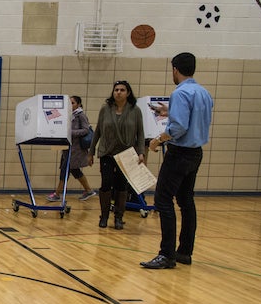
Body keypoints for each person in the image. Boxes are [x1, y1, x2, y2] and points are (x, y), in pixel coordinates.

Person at [141, 52, 214, 269]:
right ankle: (184, 252)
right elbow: (195, 117)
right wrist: (170, 112)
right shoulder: (204, 93)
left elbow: (179, 127)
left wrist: (157, 141)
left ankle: (167, 255)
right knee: (186, 201)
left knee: (163, 200)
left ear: (175, 69)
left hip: (179, 153)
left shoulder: (180, 93)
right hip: (195, 153)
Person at [88, 80, 145, 230]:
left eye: (122, 90)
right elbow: (98, 131)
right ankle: (104, 216)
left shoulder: (135, 110)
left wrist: (141, 153)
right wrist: (91, 151)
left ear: (128, 93)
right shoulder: (105, 109)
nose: (118, 92)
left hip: (126, 154)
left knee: (121, 186)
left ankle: (119, 217)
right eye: (116, 90)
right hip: (107, 152)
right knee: (106, 184)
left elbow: (140, 134)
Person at [46, 95, 97, 202]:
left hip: (76, 150)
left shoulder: (80, 115)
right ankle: (89, 190)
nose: (70, 105)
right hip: (67, 148)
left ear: (78, 104)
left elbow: (85, 130)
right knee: (75, 171)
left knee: (65, 170)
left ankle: (57, 193)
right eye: (69, 103)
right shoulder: (67, 115)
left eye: (72, 103)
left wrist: (70, 132)